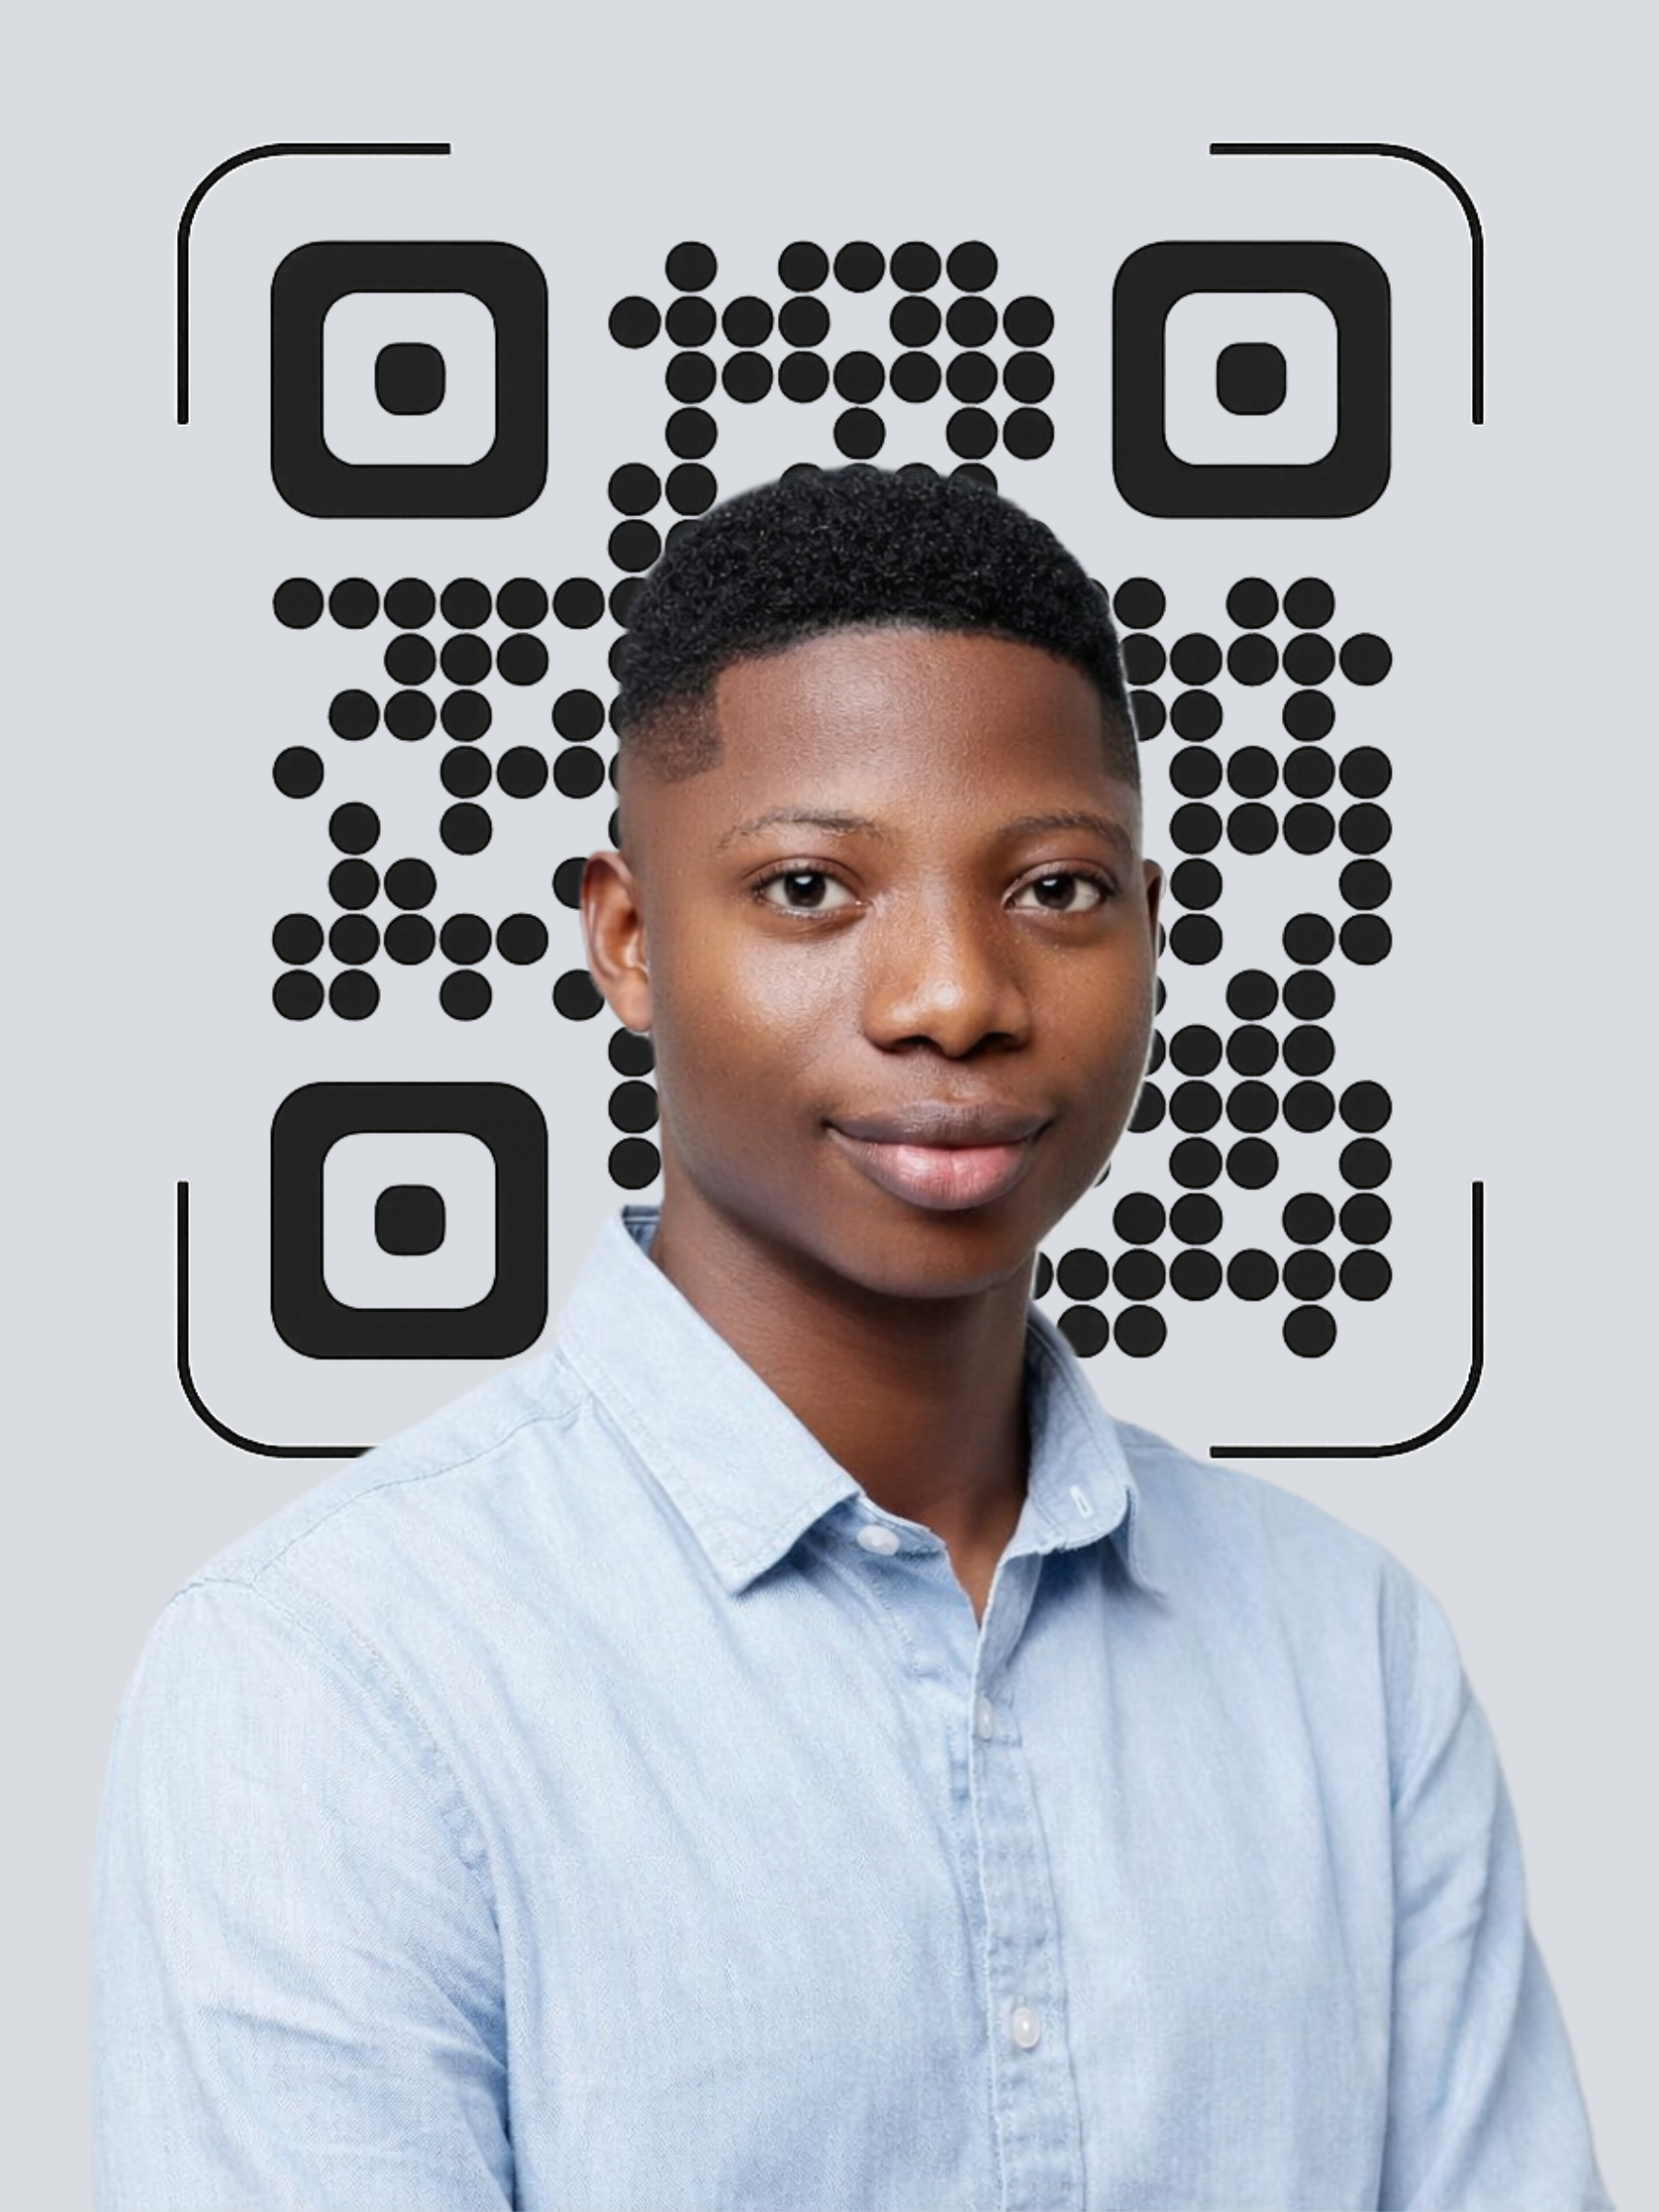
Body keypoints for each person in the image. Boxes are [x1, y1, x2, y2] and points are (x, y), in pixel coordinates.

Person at [92, 464, 1612, 2211]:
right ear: (633, 937)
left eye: (1056, 889)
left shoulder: (1351, 1657)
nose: (954, 996)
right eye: (813, 889)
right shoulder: (333, 1681)